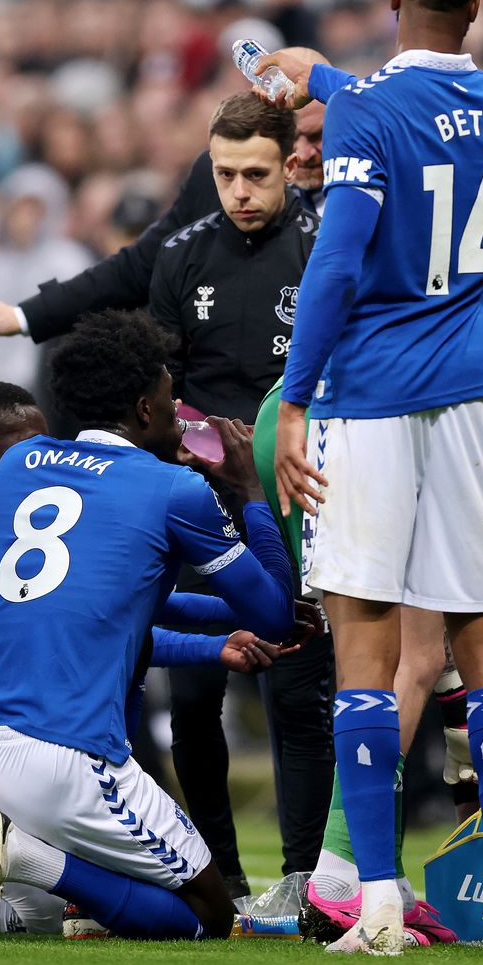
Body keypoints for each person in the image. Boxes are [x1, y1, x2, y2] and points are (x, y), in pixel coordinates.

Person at [254, 0, 483, 957]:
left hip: (369, 396)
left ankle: (372, 901)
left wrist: (293, 400)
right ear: (477, 7)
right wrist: (321, 75)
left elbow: (334, 263)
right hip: (468, 396)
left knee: (366, 650)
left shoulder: (366, 116)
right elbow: (408, 101)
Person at [0, 380, 290, 936]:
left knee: (40, 914)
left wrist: (218, 640)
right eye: (32, 445)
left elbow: (108, 613)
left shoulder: (13, 526)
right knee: (33, 901)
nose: (49, 458)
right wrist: (15, 606)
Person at [259, 269, 483, 945]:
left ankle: (378, 893)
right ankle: (354, 881)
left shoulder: (402, 239)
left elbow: (336, 271)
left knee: (411, 659)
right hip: (372, 414)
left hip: (337, 405)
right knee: (427, 658)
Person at [148, 91, 328, 894]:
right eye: (224, 174)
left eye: (255, 173)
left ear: (292, 162)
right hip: (200, 505)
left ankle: (301, 873)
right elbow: (158, 392)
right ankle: (217, 867)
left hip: (301, 499)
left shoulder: (326, 247)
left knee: (296, 688)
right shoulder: (181, 256)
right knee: (193, 697)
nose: (240, 191)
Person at [0, 55, 333, 349]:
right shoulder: (217, 178)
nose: (303, 153)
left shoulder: (376, 193)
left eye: (316, 136)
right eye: (290, 136)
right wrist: (21, 315)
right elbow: (138, 266)